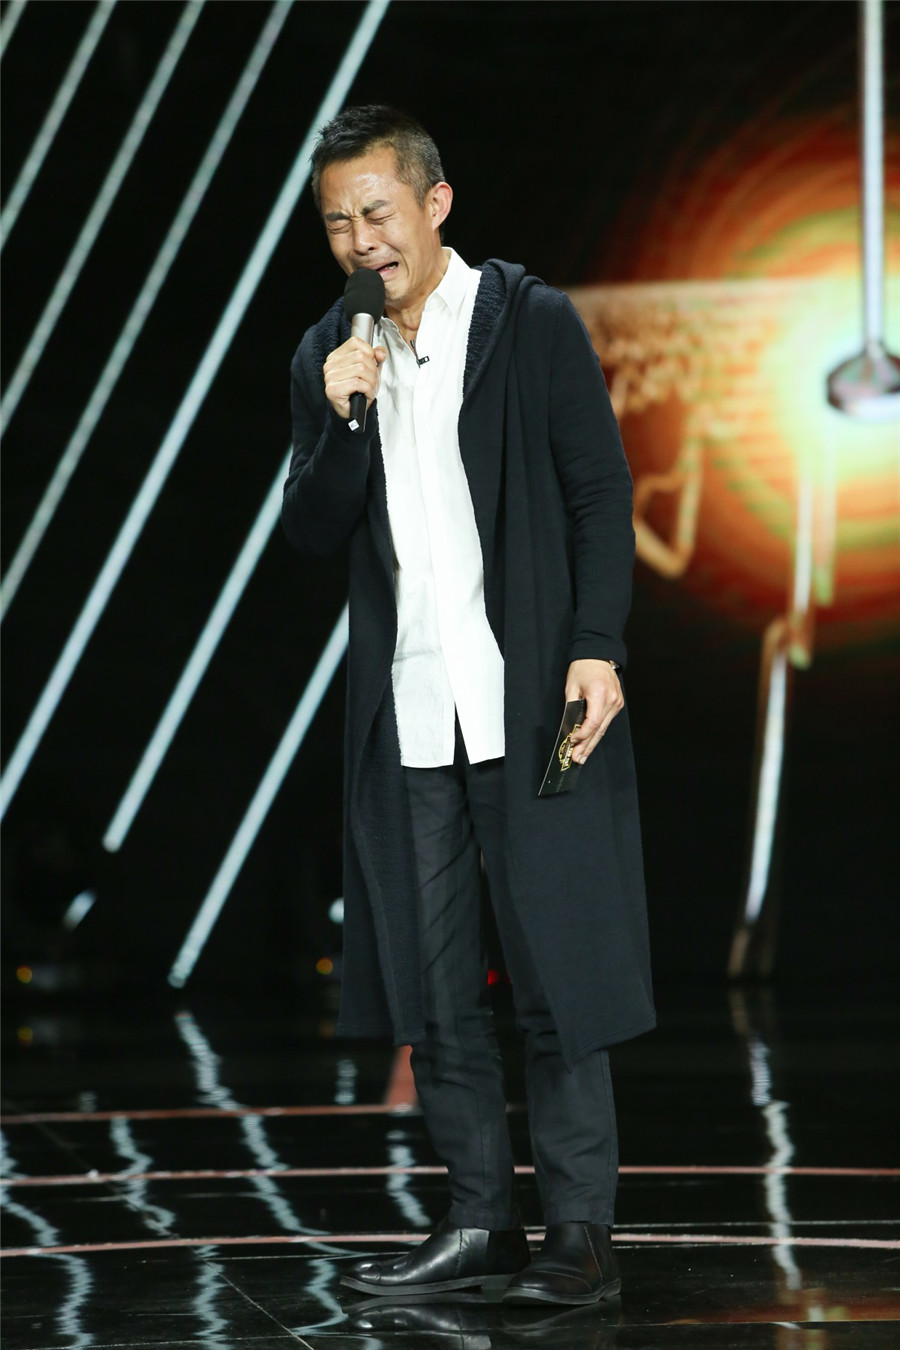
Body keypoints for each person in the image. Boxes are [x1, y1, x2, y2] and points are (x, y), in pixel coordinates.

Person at [282, 105, 655, 1307]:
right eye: (337, 223)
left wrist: (595, 647)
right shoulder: (329, 353)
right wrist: (341, 417)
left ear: (435, 204)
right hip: (411, 715)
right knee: (434, 988)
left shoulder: (528, 322)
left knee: (556, 973)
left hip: (529, 704)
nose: (361, 242)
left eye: (377, 213)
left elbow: (600, 494)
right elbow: (312, 529)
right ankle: (479, 1221)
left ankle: (580, 1234)